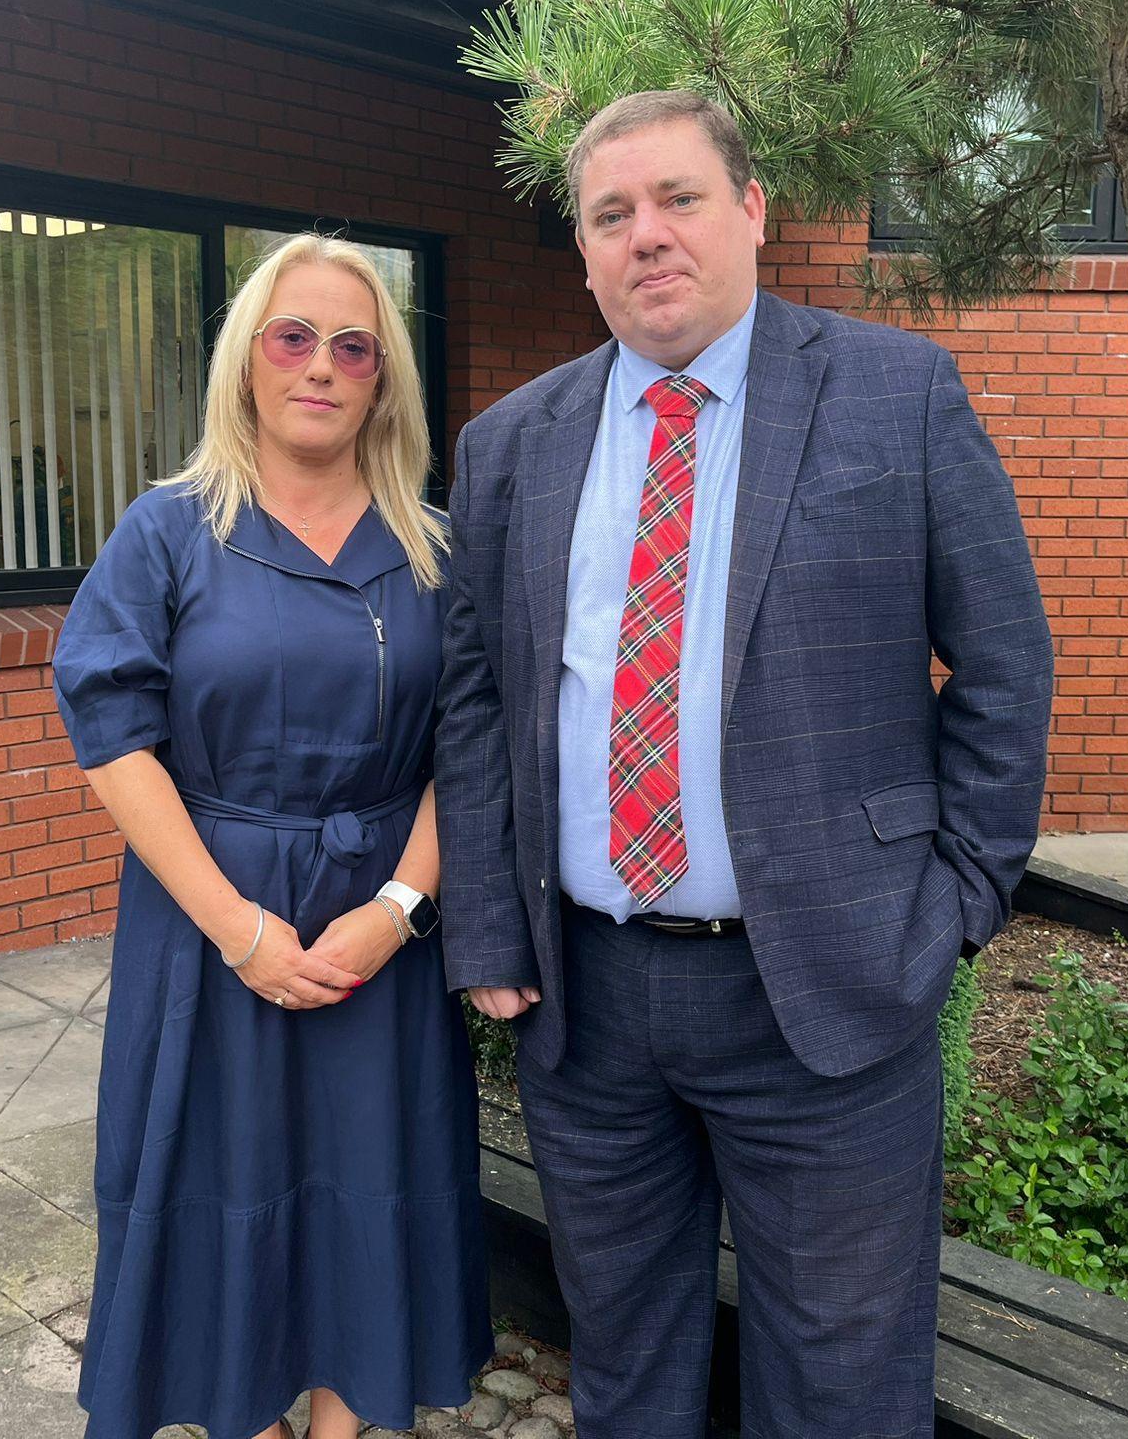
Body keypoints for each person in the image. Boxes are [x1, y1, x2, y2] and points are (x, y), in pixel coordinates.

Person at [436, 90, 1053, 1437]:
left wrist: (959, 899)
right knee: (627, 1360)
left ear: (753, 211)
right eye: (612, 215)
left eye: (679, 199)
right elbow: (476, 701)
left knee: (838, 1379)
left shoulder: (899, 394)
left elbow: (1004, 666)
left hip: (827, 991)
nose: (647, 236)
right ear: (587, 252)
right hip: (586, 1004)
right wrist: (485, 922)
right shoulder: (508, 446)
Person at [54, 234, 489, 1439]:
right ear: (245, 362)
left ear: (383, 377)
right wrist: (240, 930)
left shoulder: (433, 551)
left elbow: (471, 748)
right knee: (221, 1186)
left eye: (353, 346)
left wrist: (398, 910)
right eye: (291, 338)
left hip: (376, 934)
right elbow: (113, 740)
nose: (321, 366)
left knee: (370, 1189)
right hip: (209, 927)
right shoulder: (168, 531)